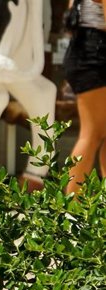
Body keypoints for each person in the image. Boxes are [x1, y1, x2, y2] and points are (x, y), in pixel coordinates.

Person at [63, 0, 106, 193]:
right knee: (92, 134)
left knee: (98, 134)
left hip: (85, 52)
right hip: (95, 54)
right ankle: (71, 207)